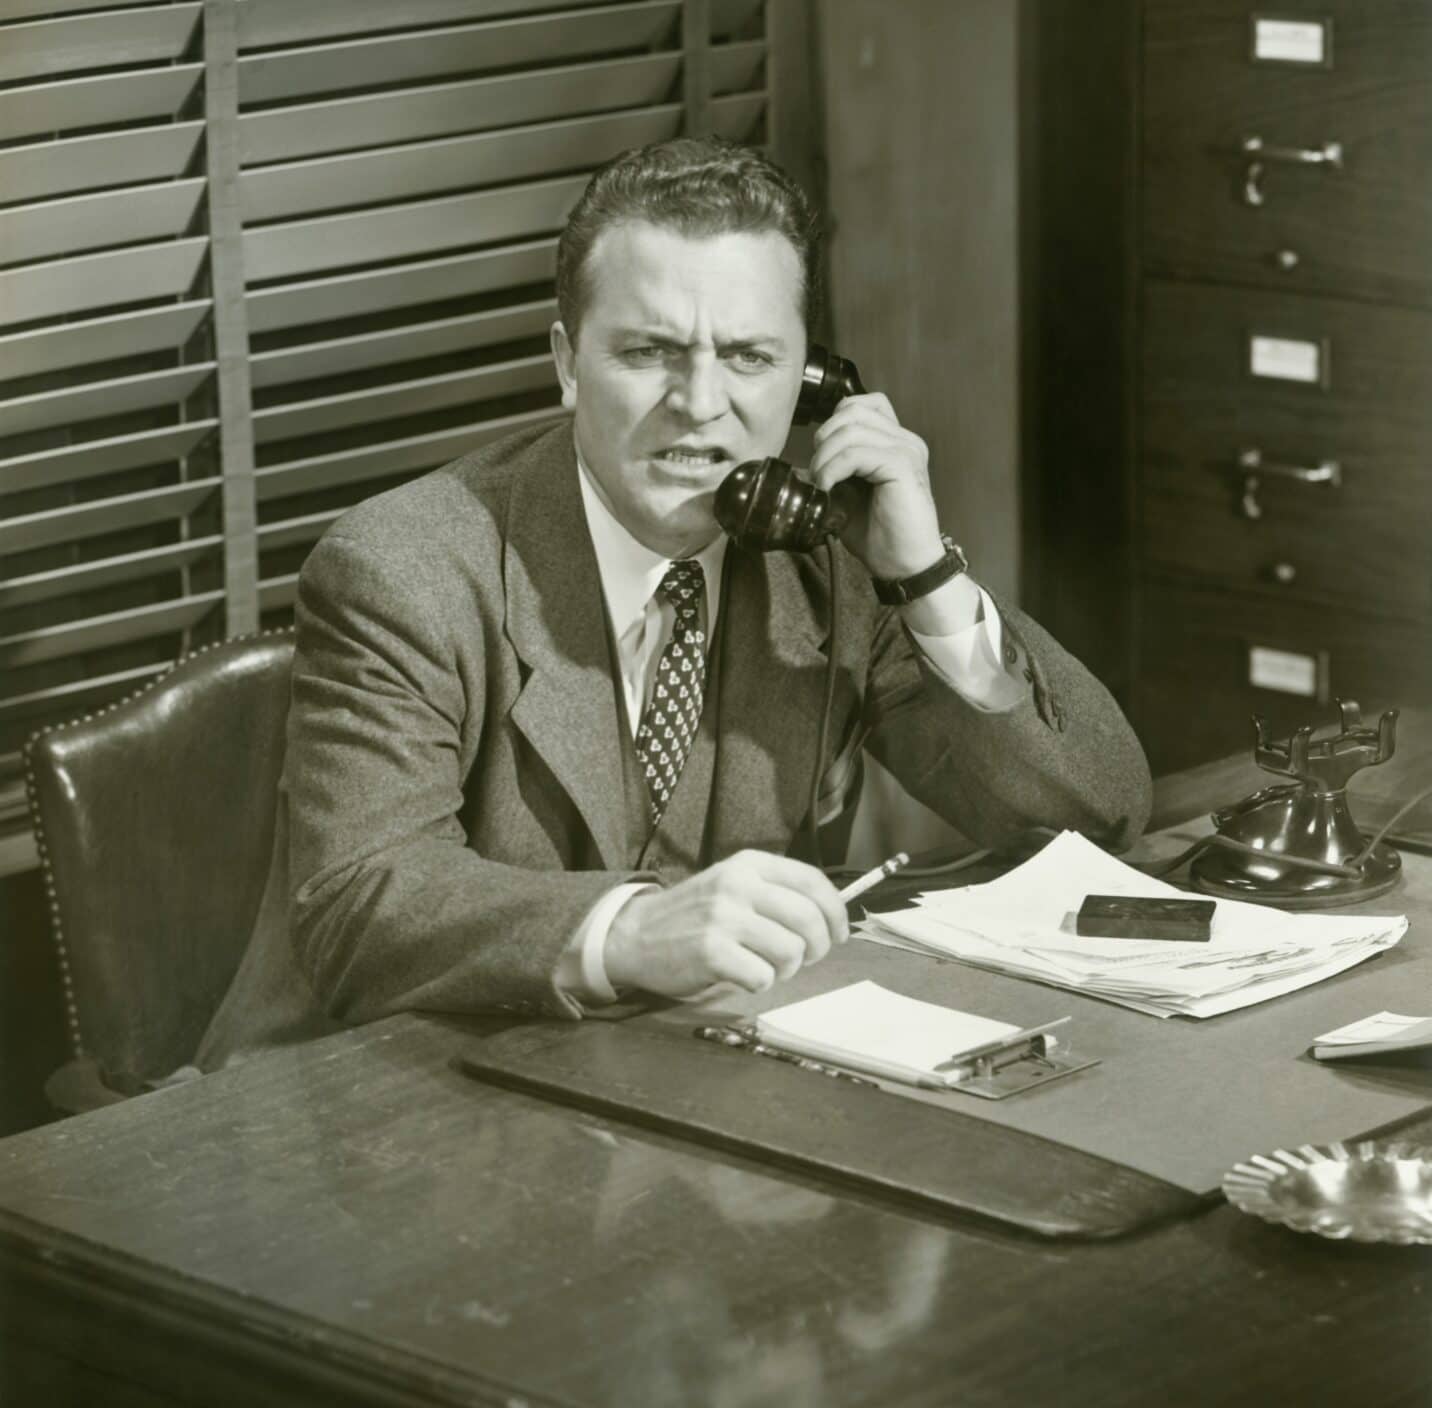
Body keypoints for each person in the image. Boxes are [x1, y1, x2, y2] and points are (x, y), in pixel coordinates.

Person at [196, 138, 1150, 1064]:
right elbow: (360, 906)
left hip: (673, 1091)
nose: (700, 402)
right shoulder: (404, 567)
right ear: (569, 363)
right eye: (650, 350)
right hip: (375, 1106)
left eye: (748, 357)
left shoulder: (827, 560)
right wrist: (631, 931)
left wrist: (925, 579)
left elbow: (1096, 819)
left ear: (810, 382)